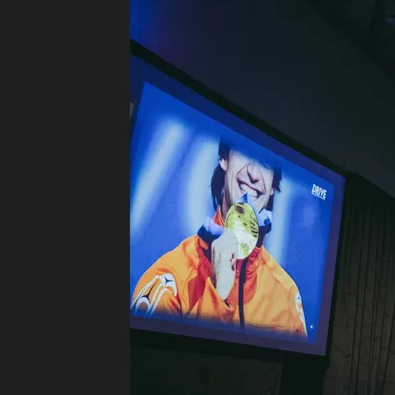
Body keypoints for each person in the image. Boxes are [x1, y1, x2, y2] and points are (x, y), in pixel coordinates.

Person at [130, 140, 308, 338]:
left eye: (267, 163)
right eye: (246, 151)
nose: (254, 174)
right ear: (224, 158)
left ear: (274, 185)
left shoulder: (287, 294)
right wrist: (217, 294)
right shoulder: (169, 281)